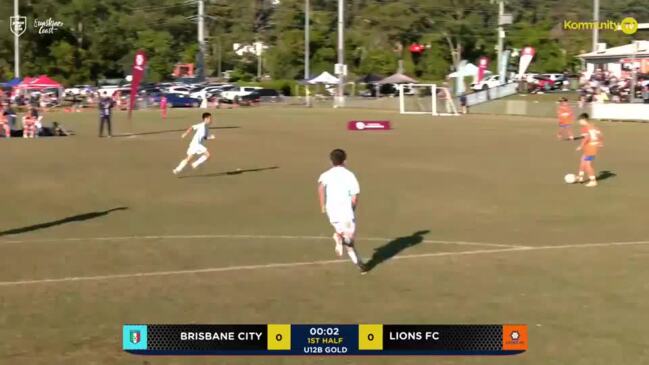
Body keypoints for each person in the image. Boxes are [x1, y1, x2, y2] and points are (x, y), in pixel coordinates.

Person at [317, 149, 367, 274]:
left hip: (332, 211)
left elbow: (321, 188)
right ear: (345, 160)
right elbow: (354, 196)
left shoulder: (326, 174)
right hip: (345, 211)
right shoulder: (350, 175)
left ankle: (359, 264)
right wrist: (352, 210)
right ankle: (339, 238)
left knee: (346, 237)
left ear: (331, 161)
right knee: (349, 239)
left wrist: (322, 205)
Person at [576, 113, 603, 187]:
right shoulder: (593, 126)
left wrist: (581, 146)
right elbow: (600, 134)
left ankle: (593, 181)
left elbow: (587, 137)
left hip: (590, 148)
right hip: (591, 146)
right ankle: (580, 177)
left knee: (588, 164)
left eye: (579, 121)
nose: (579, 122)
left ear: (583, 120)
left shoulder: (587, 127)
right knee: (582, 160)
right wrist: (600, 142)